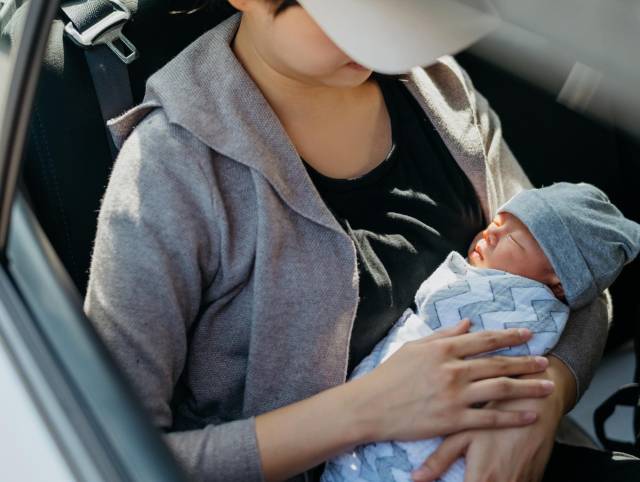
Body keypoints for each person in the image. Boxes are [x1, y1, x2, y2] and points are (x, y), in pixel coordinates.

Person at [84, 1, 639, 481]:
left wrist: (545, 402)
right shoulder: (170, 174)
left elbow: (577, 278)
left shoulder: (437, 88)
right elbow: (107, 452)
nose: (387, 28)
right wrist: (363, 411)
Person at [322, 182, 640, 482]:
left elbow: (593, 297)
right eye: (496, 222)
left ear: (558, 284)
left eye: (511, 238)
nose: (490, 232)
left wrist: (552, 388)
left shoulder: (518, 302)